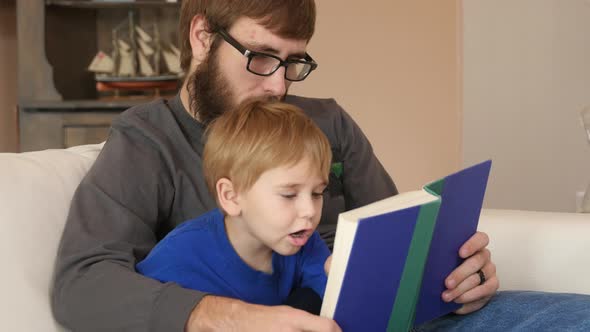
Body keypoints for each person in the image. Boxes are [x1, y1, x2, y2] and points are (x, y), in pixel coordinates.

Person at [52, 1, 498, 331]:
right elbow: (82, 283)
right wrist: (230, 318)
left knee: (563, 316)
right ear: (202, 37)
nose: (278, 85)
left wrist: (454, 275)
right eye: (260, 57)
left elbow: (397, 235)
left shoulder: (329, 122)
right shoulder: (147, 141)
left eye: (293, 63)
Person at [137, 98, 333, 312]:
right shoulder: (177, 259)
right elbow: (141, 315)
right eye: (288, 195)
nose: (310, 211)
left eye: (316, 193)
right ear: (231, 196)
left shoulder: (303, 239)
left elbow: (329, 297)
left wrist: (341, 280)